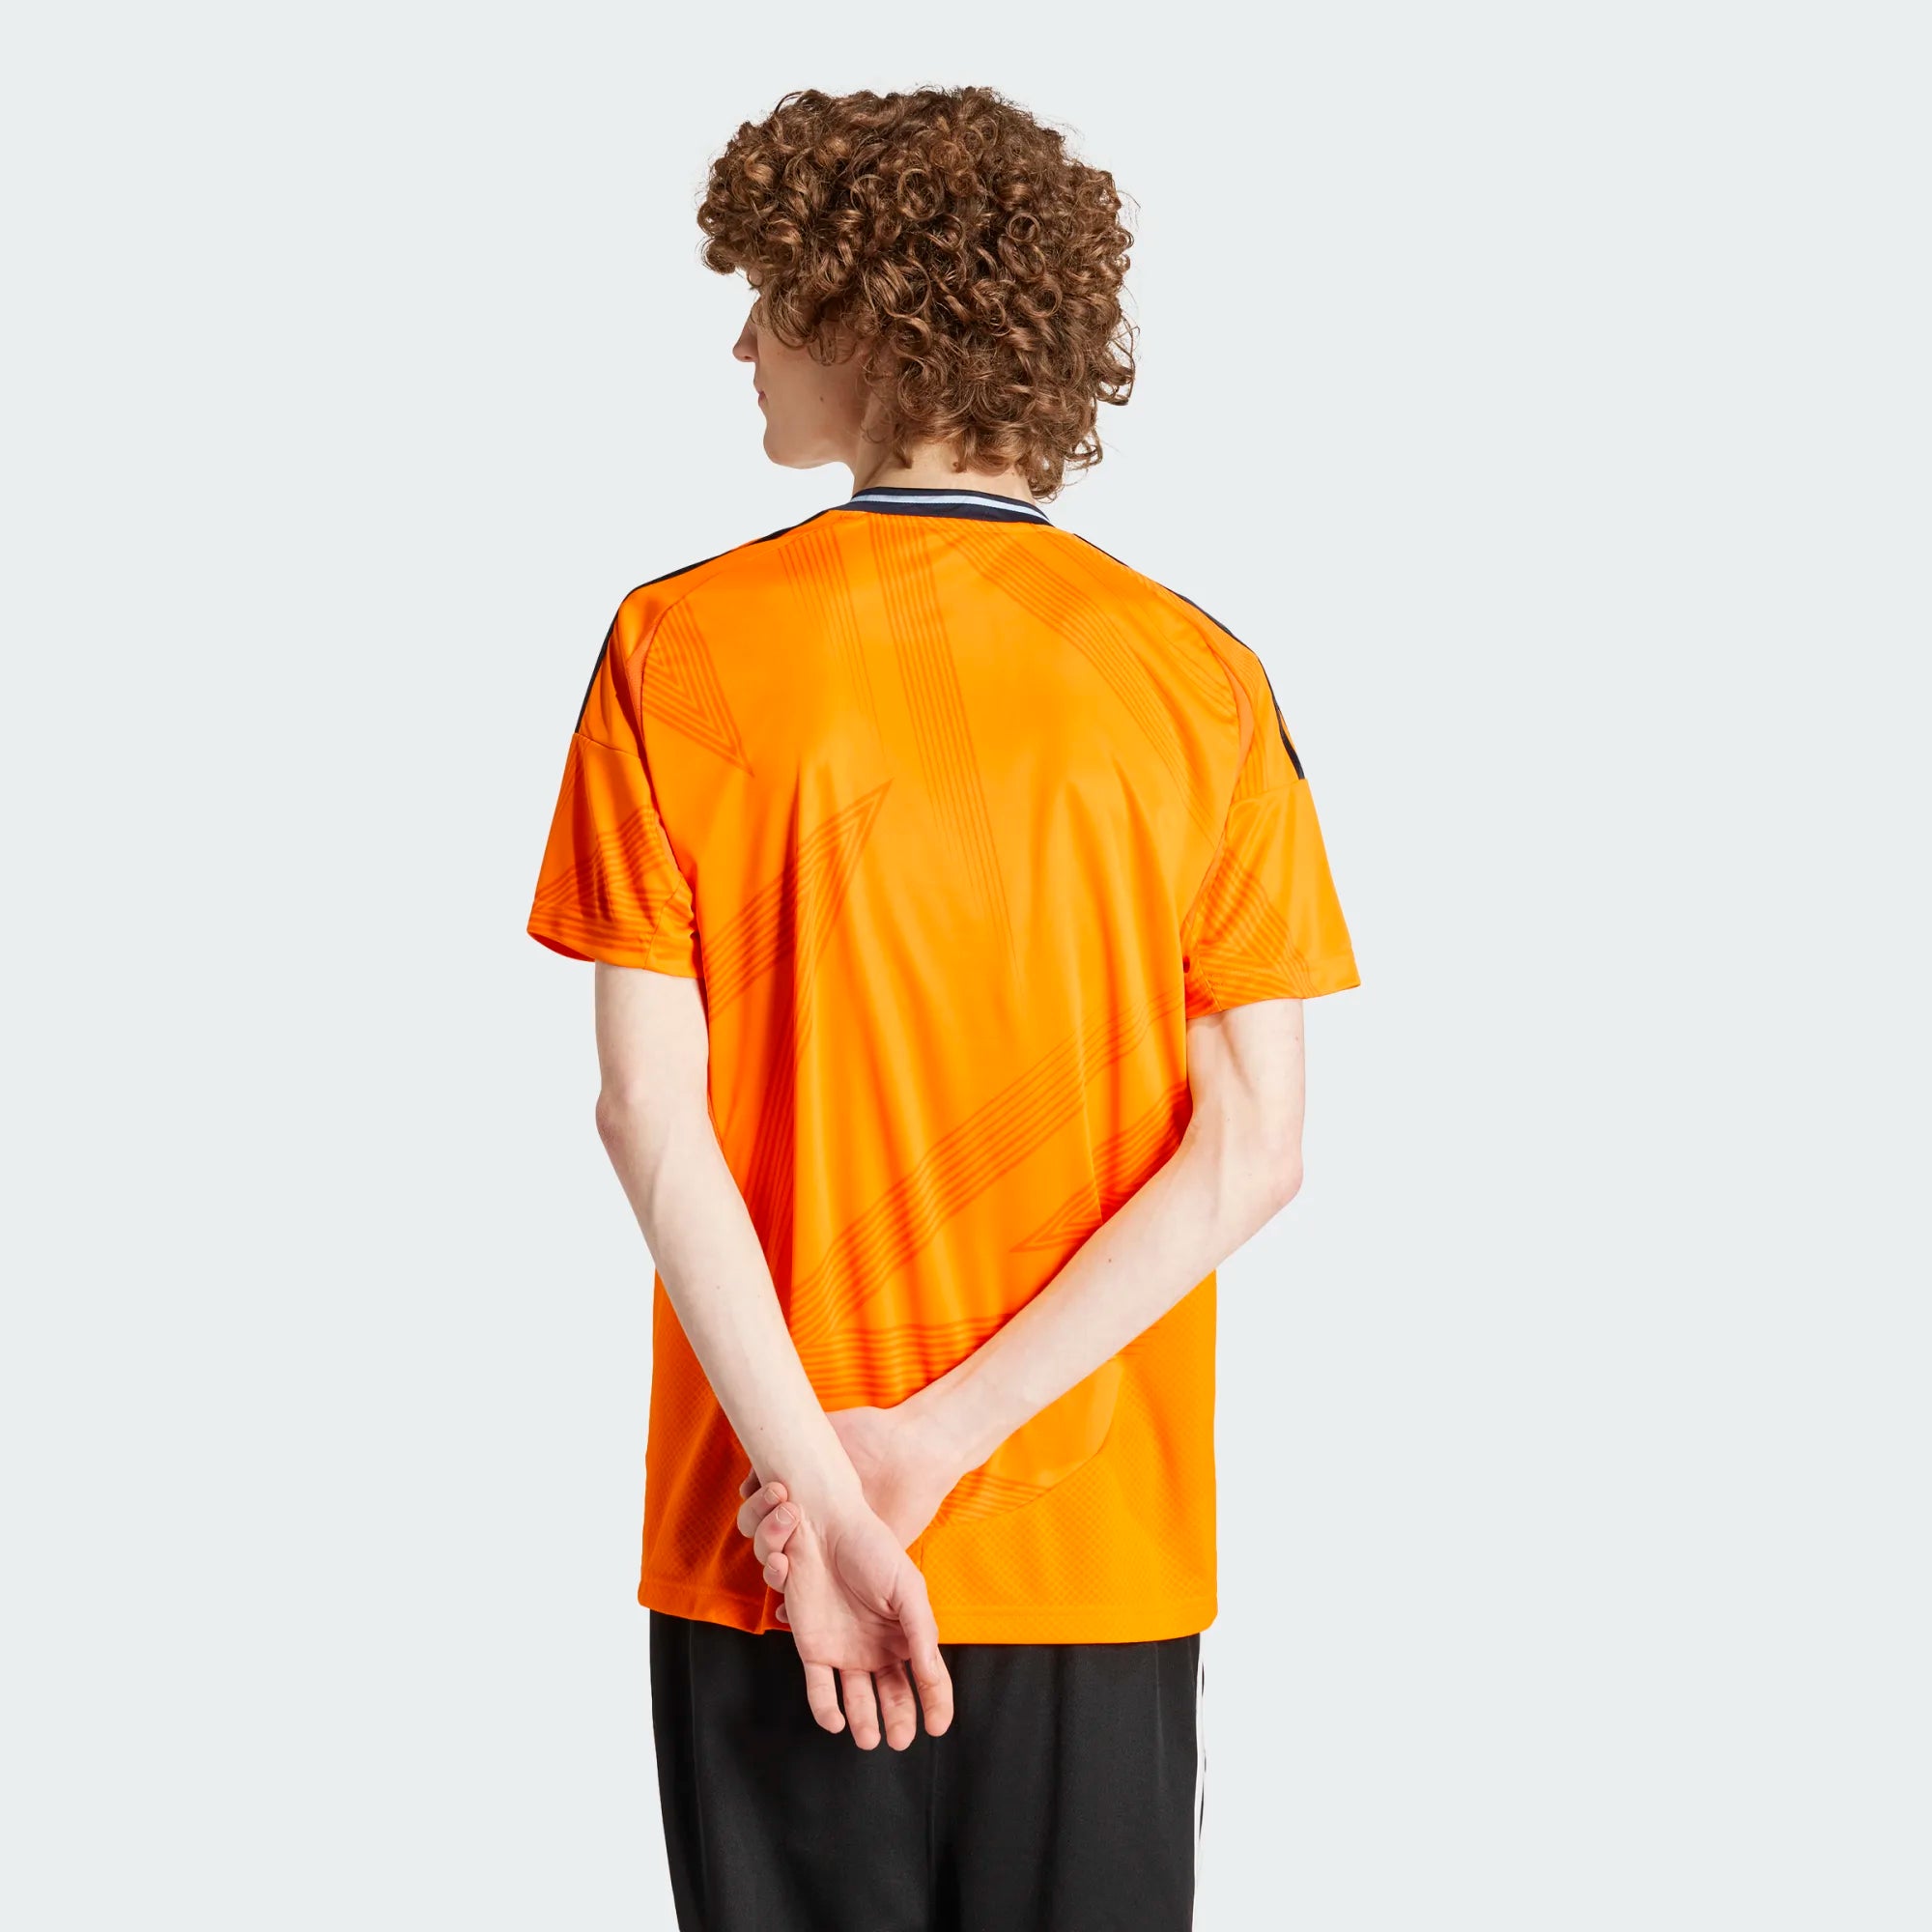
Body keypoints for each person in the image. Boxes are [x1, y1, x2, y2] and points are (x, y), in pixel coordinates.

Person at [526, 83, 1360, 1932]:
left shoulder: (677, 650)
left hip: (769, 1557)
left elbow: (648, 1115)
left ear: (874, 317)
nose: (743, 343)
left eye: (771, 297)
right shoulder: (1199, 680)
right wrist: (928, 1449)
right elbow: (1257, 1144)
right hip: (1093, 1552)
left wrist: (830, 1496)